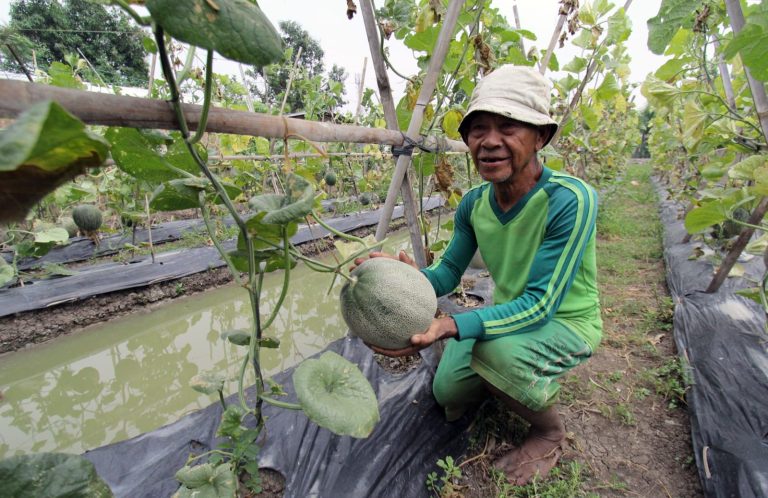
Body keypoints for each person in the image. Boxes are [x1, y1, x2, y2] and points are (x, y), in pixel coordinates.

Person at [357, 65, 602, 485]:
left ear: (540, 137)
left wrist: (452, 325)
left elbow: (542, 304)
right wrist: (412, 281)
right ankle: (506, 373)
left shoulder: (571, 199)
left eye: (508, 127)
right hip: (509, 314)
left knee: (492, 354)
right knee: (446, 394)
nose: (489, 142)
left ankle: (548, 430)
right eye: (478, 130)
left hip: (566, 322)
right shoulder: (473, 203)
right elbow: (450, 270)